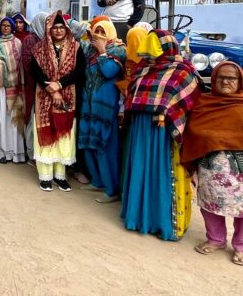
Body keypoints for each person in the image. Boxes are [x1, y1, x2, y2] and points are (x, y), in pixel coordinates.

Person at [121, 29, 200, 241]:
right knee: (141, 167)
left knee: (161, 172)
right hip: (141, 128)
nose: (149, 51)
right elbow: (132, 95)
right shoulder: (143, 69)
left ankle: (163, 221)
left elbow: (189, 100)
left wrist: (166, 111)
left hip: (164, 133)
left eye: (154, 45)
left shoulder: (183, 72)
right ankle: (138, 217)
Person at [181, 62, 243, 266]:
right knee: (209, 204)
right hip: (210, 165)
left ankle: (241, 245)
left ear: (239, 81)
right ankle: (216, 239)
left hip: (239, 169)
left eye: (231, 78)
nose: (226, 81)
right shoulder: (204, 103)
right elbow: (194, 131)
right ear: (214, 79)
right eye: (221, 77)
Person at [30, 11, 86, 192]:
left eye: (62, 27)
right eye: (55, 27)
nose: (59, 30)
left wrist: (60, 84)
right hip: (44, 96)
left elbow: (79, 70)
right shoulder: (39, 48)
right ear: (49, 29)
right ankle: (45, 176)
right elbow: (35, 71)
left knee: (64, 134)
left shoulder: (76, 47)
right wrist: (52, 90)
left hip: (68, 95)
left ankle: (60, 175)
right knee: (45, 133)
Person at [77, 20, 125, 203]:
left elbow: (108, 72)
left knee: (105, 146)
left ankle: (111, 188)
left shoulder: (118, 51)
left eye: (102, 31)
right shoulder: (89, 50)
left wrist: (103, 51)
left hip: (106, 107)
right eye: (96, 31)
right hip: (89, 105)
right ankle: (97, 180)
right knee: (89, 143)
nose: (98, 35)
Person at [0, 17, 25, 163]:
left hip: (15, 86)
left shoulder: (18, 42)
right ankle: (0, 151)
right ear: (0, 27)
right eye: (3, 25)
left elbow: (20, 62)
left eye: (8, 26)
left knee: (13, 119)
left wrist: (9, 68)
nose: (5, 28)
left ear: (12, 28)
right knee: (1, 117)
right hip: (1, 87)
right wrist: (6, 67)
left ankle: (16, 153)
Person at [20, 12, 49, 163]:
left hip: (46, 87)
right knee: (32, 117)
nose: (47, 26)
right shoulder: (30, 39)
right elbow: (28, 64)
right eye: (45, 23)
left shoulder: (48, 40)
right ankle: (31, 152)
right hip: (34, 85)